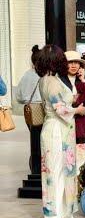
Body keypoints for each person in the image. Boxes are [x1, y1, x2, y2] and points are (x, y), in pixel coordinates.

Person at [36, 45, 85, 218]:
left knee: (65, 170)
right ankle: (52, 215)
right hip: (56, 130)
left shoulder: (49, 79)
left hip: (62, 129)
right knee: (55, 172)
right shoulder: (50, 81)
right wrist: (77, 109)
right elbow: (60, 109)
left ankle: (65, 213)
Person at [15, 45, 43, 175]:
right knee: (42, 142)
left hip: (29, 111)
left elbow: (19, 97)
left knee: (34, 141)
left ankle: (35, 168)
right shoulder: (44, 75)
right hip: (41, 110)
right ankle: (39, 169)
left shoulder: (26, 75)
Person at [61, 51, 85, 147]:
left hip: (83, 121)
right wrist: (73, 101)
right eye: (70, 62)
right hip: (66, 120)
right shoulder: (60, 79)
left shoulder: (84, 78)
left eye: (76, 63)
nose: (73, 65)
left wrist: (83, 80)